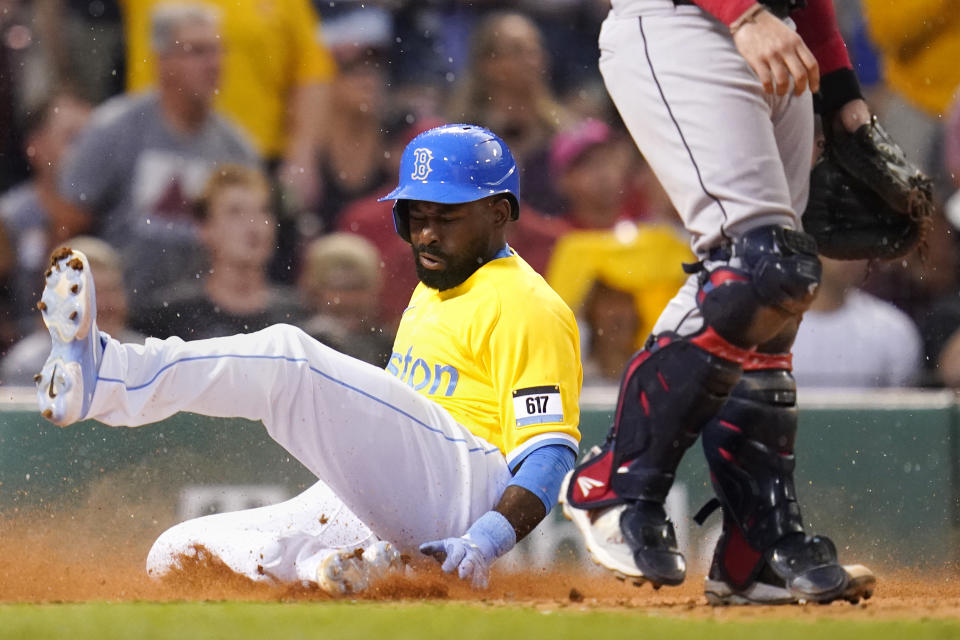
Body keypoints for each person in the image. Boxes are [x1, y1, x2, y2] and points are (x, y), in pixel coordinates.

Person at [34, 125, 582, 593]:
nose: (427, 233)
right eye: (416, 215)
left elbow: (550, 452)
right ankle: (328, 570)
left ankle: (108, 375)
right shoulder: (435, 288)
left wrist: (485, 541)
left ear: (499, 211)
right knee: (176, 551)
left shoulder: (527, 303)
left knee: (288, 357)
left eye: (447, 216)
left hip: (467, 491)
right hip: (400, 497)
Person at [561, 0, 877, 606]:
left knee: (777, 300)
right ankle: (613, 479)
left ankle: (754, 549)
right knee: (758, 267)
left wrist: (840, 88)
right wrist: (741, 12)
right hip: (688, 19)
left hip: (772, 30)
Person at [58, 4, 259, 298]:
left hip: (200, 320)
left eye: (218, 51)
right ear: (163, 61)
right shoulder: (114, 129)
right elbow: (67, 222)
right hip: (120, 312)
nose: (213, 63)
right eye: (197, 51)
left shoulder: (237, 149)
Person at [130, 164, 305, 340]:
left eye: (263, 211)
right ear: (204, 228)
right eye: (235, 212)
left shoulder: (298, 318)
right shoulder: (167, 317)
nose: (254, 226)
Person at [1, 236, 144, 385]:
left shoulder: (145, 360)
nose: (104, 305)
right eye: (91, 294)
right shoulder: (30, 368)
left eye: (112, 290)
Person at [791, 257, 921, 388]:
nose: (851, 254)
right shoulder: (772, 328)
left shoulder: (893, 329)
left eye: (859, 241)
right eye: (837, 240)